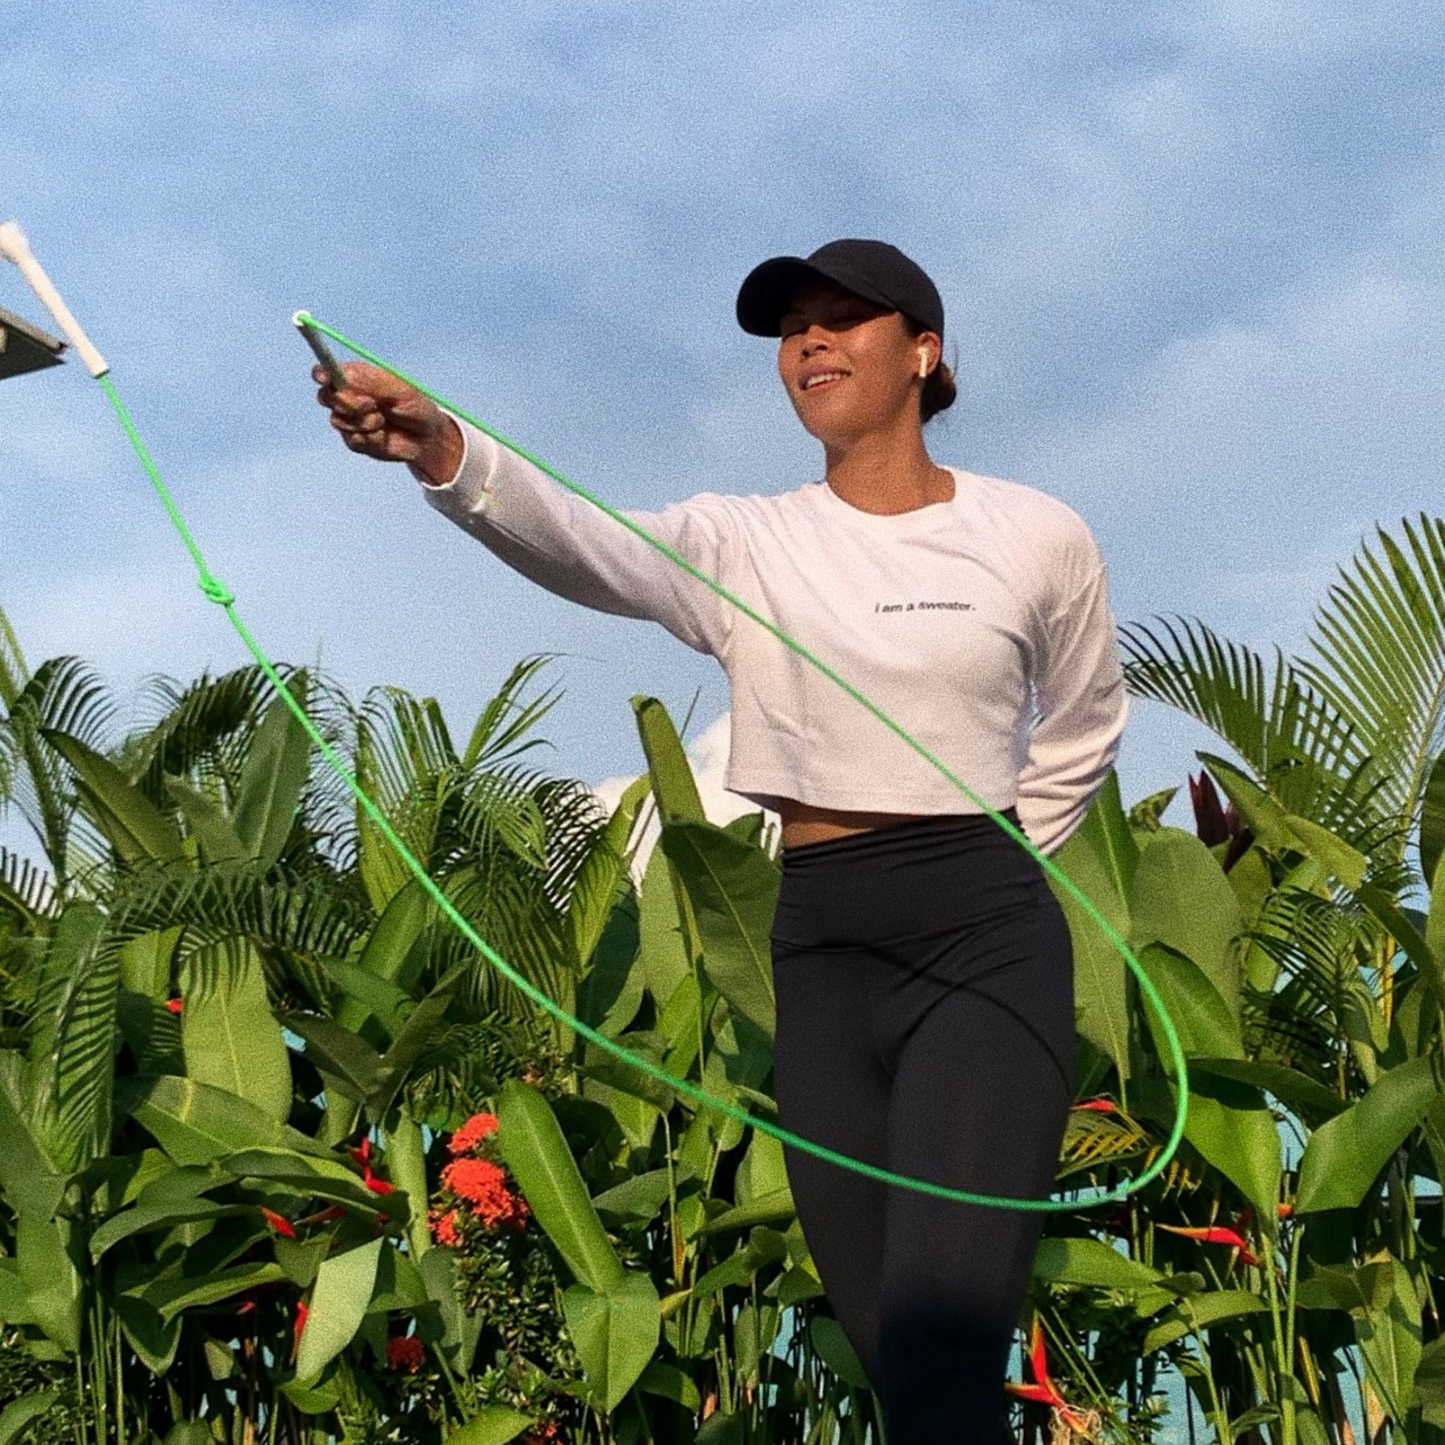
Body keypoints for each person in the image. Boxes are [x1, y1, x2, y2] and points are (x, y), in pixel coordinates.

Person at [314, 238, 1127, 1444]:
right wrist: (443, 448)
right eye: (792, 325)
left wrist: (1009, 852)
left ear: (923, 351)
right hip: (822, 937)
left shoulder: (1034, 532)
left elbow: (1085, 718)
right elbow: (588, 538)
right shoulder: (748, 540)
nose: (809, 340)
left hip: (982, 934)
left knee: (946, 1339)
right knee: (886, 1344)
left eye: (844, 317)